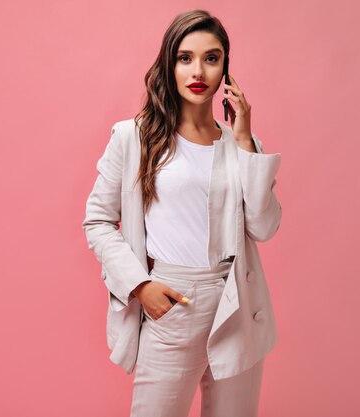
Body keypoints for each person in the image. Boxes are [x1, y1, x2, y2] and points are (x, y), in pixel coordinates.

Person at [82, 9, 282, 417]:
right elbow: (98, 220)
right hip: (174, 300)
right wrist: (140, 286)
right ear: (169, 63)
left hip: (235, 300)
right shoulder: (135, 137)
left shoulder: (240, 143)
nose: (199, 70)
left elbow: (263, 226)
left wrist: (244, 139)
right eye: (185, 57)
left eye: (212, 58)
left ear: (225, 66)